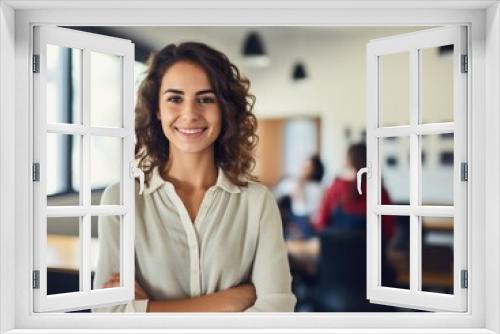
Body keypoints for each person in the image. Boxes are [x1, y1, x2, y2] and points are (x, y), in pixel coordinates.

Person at [92, 42, 296, 312]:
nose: (189, 114)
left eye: (206, 99)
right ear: (157, 109)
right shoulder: (121, 199)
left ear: (224, 109)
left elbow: (276, 311)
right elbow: (109, 313)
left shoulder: (257, 203)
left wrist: (147, 309)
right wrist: (228, 302)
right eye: (175, 99)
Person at [313, 143, 395, 239]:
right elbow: (389, 231)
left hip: (336, 252)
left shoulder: (335, 188)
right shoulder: (380, 192)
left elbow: (321, 224)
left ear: (348, 161)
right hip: (369, 252)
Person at [274, 154, 325, 239]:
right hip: (300, 219)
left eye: (307, 167)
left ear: (315, 170)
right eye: (303, 167)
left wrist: (299, 183)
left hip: (306, 220)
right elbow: (278, 193)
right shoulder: (294, 183)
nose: (302, 170)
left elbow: (302, 207)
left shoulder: (318, 188)